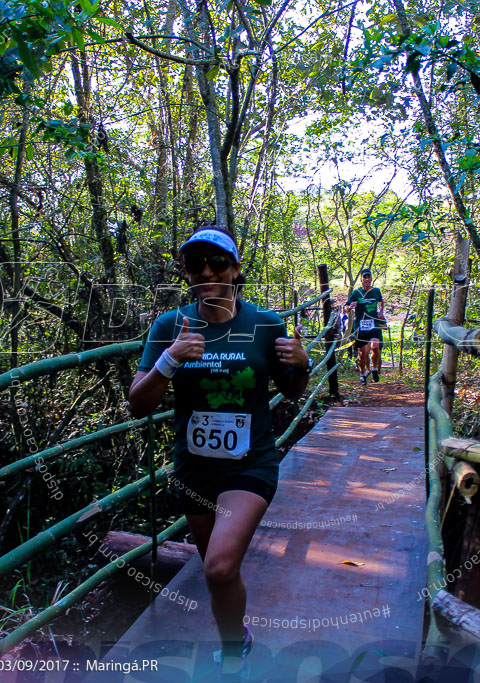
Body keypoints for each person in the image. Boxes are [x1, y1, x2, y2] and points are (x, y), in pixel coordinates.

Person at [129, 226, 311, 680]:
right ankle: (238, 637)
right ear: (187, 272)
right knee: (218, 572)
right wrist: (171, 359)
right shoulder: (170, 326)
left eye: (217, 263)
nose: (207, 272)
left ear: (235, 269)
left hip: (250, 464)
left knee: (219, 565)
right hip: (194, 468)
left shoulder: (265, 323)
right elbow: (138, 403)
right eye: (196, 265)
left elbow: (290, 391)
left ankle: (232, 657)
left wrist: (302, 364)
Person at [345, 268, 385, 384]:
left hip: (374, 324)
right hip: (361, 326)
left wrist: (381, 311)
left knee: (375, 346)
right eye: (365, 277)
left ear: (371, 278)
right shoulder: (356, 293)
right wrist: (350, 307)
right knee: (362, 353)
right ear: (361, 279)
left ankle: (374, 369)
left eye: (369, 277)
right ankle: (362, 374)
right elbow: (346, 308)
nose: (367, 279)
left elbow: (381, 300)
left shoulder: (376, 291)